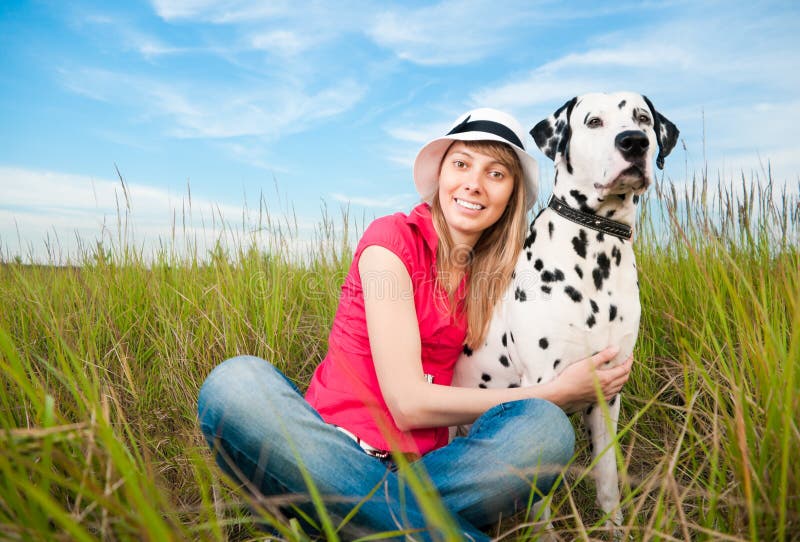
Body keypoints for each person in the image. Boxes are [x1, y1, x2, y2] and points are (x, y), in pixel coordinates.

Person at [197, 108, 633, 541]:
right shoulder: (390, 242)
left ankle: (335, 524)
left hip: (434, 474)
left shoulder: (503, 279)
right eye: (461, 164)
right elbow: (407, 404)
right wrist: (556, 393)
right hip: (328, 453)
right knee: (236, 383)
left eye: (496, 173)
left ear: (512, 195)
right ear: (441, 175)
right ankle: (399, 524)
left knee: (546, 429)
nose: (474, 184)